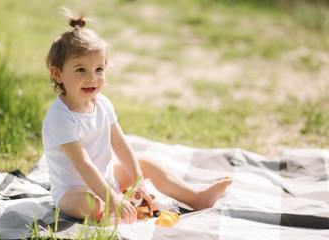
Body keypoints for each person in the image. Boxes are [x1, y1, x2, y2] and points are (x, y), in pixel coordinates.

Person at [42, 10, 232, 225]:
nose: (91, 78)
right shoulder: (60, 118)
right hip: (73, 192)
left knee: (146, 164)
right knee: (93, 206)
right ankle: (116, 208)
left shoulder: (102, 103)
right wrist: (112, 197)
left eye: (98, 69)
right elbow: (82, 164)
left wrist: (137, 180)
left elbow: (120, 142)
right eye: (80, 70)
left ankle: (198, 198)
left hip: (107, 179)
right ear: (57, 74)